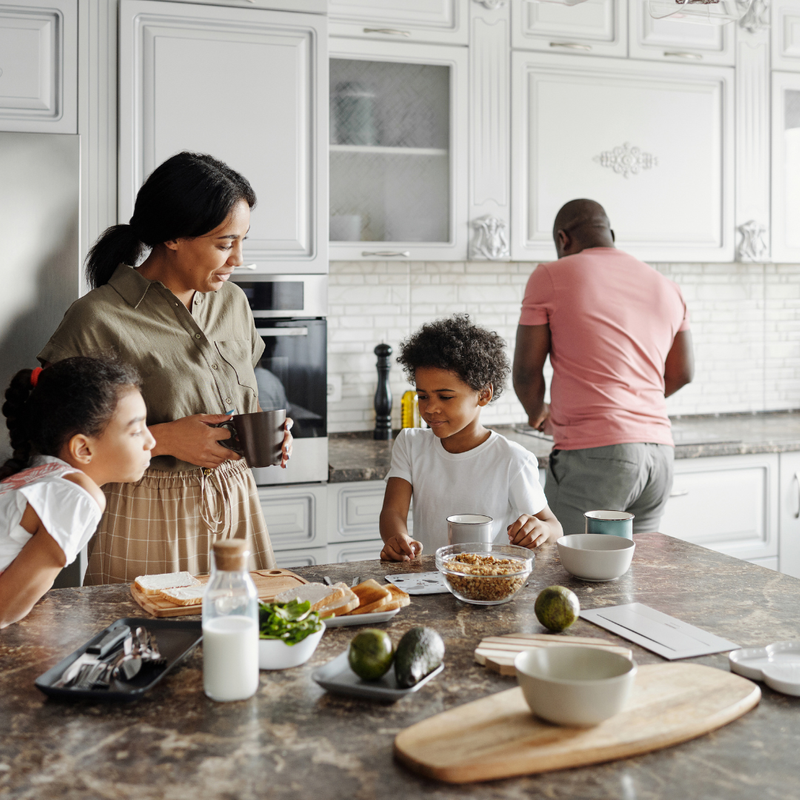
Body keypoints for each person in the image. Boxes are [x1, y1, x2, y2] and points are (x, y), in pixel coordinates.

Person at [38, 152, 292, 585]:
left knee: (246, 639)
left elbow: (239, 394)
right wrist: (163, 440)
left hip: (237, 500)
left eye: (242, 242)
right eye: (225, 243)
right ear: (173, 237)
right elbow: (53, 445)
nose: (238, 259)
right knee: (149, 643)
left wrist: (267, 434)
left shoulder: (233, 304)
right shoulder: (98, 317)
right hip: (145, 509)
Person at [512, 199, 694, 535]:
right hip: (659, 456)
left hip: (595, 453)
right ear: (610, 233)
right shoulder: (666, 286)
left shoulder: (551, 275)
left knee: (564, 568)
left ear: (563, 239)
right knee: (637, 572)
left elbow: (525, 371)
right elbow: (683, 373)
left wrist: (537, 412)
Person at [379, 314, 562, 561]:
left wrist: (541, 529)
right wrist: (397, 538)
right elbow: (393, 511)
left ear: (483, 395)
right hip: (430, 578)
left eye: (445, 397)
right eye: (423, 396)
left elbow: (553, 526)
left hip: (488, 581)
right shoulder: (410, 444)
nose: (430, 408)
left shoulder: (512, 458)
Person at [0, 357, 155, 627]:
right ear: (83, 449)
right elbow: (3, 611)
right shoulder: (76, 495)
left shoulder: (40, 474)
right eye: (135, 431)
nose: (151, 441)